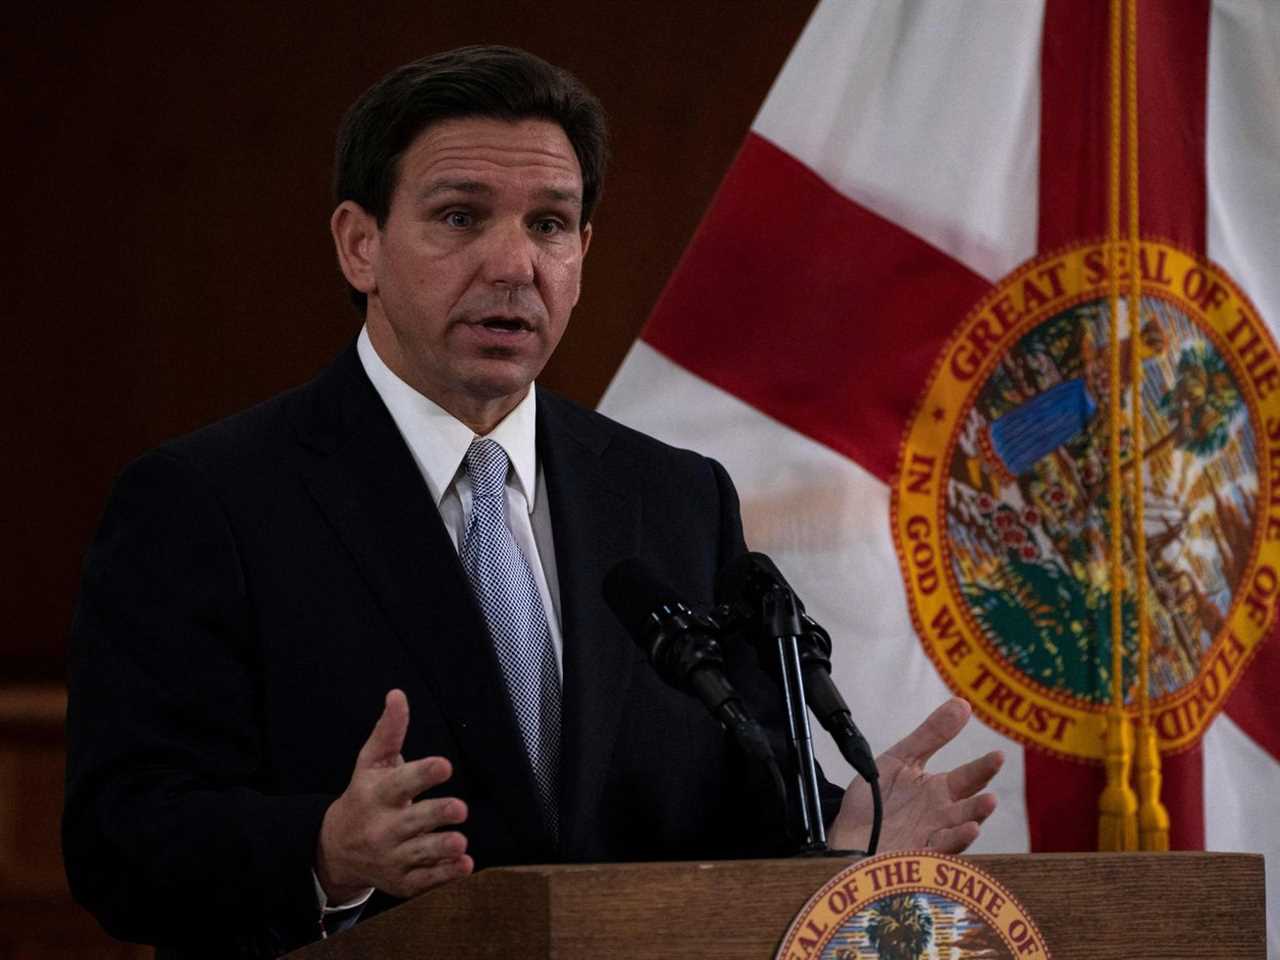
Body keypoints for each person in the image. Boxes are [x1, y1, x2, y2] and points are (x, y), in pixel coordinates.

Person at [63, 46, 1002, 959]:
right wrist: (324, 850)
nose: (514, 264)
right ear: (360, 246)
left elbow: (720, 821)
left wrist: (838, 842)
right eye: (461, 217)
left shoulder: (674, 498)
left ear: (584, 251)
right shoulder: (207, 501)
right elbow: (118, 841)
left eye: (549, 225)